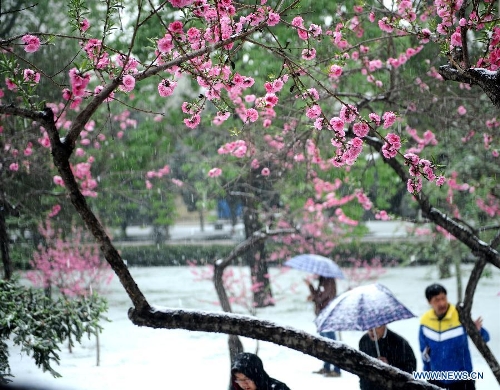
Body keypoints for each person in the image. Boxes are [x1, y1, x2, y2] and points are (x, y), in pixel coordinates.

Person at [419, 283, 490, 390]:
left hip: (463, 379)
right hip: (437, 379)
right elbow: (424, 353)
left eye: (443, 298)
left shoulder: (459, 316)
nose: (442, 303)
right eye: (437, 300)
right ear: (429, 302)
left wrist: (478, 331)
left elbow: (485, 338)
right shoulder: (425, 322)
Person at [358, 325, 417, 390]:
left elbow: (410, 369)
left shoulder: (399, 342)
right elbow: (362, 369)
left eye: (375, 326)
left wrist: (389, 366)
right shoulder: (364, 341)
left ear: (384, 325)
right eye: (369, 326)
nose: (371, 330)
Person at [305, 275, 341, 377]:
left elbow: (321, 298)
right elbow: (319, 295)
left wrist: (311, 290)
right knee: (324, 342)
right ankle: (327, 367)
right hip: (322, 314)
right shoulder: (323, 280)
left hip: (327, 315)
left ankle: (337, 369)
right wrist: (311, 289)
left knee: (331, 342)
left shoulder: (329, 281)